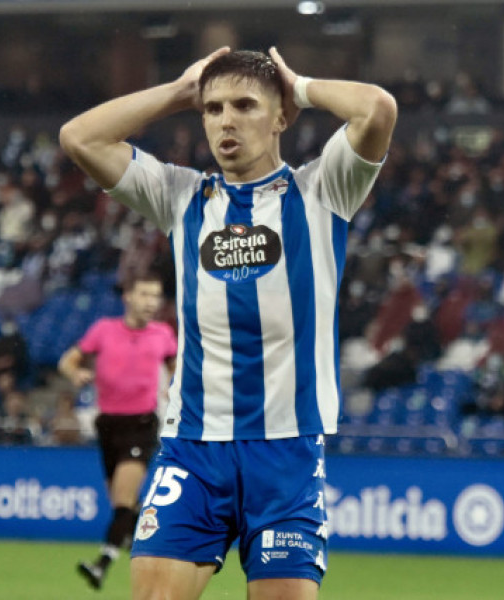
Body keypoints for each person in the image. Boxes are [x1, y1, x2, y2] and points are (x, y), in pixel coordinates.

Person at [59, 47, 396, 599]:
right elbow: (79, 137)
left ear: (281, 117)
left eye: (245, 105)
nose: (226, 121)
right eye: (212, 109)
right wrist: (177, 93)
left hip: (284, 452)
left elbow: (377, 110)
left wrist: (301, 85)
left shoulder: (322, 190)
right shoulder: (181, 195)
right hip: (193, 448)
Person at [58, 273, 177, 590]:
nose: (152, 302)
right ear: (128, 297)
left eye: (157, 296)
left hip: (142, 424)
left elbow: (176, 370)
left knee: (124, 499)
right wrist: (76, 372)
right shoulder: (104, 330)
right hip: (108, 424)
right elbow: (67, 361)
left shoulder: (163, 334)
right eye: (145, 294)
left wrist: (174, 391)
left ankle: (102, 564)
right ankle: (160, 546)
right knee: (122, 506)